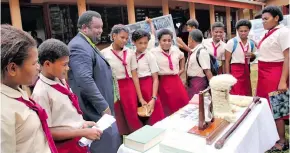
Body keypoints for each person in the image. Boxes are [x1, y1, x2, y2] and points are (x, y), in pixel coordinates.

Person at [31, 39, 103, 153]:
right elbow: (47, 131)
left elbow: (65, 116)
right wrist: (81, 132)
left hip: (79, 142)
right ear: (47, 64)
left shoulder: (60, 79)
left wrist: (82, 124)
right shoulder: (41, 93)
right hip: (65, 148)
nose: (68, 68)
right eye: (64, 64)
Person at [68, 11, 121, 153]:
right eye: (97, 27)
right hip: (94, 111)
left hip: (100, 109)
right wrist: (103, 106)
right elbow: (84, 79)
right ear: (85, 28)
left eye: (102, 27)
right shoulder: (78, 46)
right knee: (104, 145)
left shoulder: (87, 43)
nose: (101, 31)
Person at [1, 24, 57, 153]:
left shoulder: (17, 92)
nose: (38, 67)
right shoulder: (3, 111)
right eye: (34, 63)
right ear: (13, 68)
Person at [256, 6, 289, 151]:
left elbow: (288, 57)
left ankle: (282, 141)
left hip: (274, 73)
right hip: (264, 73)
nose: (263, 22)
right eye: (262, 19)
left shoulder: (283, 32)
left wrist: (283, 80)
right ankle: (272, 136)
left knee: (277, 107)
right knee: (267, 107)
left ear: (276, 18)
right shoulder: (269, 32)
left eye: (266, 19)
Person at [101, 24, 144, 135]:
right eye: (122, 37)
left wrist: (140, 97)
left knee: (131, 112)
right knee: (118, 113)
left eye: (126, 38)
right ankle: (121, 137)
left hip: (129, 85)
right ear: (114, 36)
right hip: (114, 86)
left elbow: (134, 75)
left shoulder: (130, 52)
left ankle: (137, 135)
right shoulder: (104, 53)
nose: (125, 40)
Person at [150, 29, 189, 116]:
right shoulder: (153, 52)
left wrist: (182, 69)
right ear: (159, 41)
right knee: (169, 107)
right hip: (163, 82)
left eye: (169, 40)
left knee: (183, 102)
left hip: (176, 81)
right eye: (164, 40)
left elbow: (182, 57)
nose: (167, 43)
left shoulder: (175, 49)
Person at [132, 28, 165, 125]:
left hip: (148, 88)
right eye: (140, 43)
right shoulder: (131, 55)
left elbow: (155, 79)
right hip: (135, 87)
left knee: (154, 115)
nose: (143, 46)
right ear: (134, 42)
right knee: (140, 115)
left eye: (145, 43)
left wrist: (154, 98)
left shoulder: (150, 56)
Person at [225, 19, 256, 96]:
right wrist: (228, 76)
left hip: (246, 69)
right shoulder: (232, 42)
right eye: (241, 31)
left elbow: (253, 58)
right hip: (235, 69)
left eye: (245, 31)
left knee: (247, 91)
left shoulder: (251, 43)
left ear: (249, 30)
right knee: (236, 92)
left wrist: (252, 56)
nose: (243, 33)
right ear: (237, 31)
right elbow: (227, 60)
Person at [186, 29, 213, 98]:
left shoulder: (201, 52)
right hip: (192, 82)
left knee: (198, 104)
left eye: (188, 38)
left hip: (198, 83)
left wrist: (213, 87)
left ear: (191, 39)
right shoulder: (194, 51)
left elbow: (207, 71)